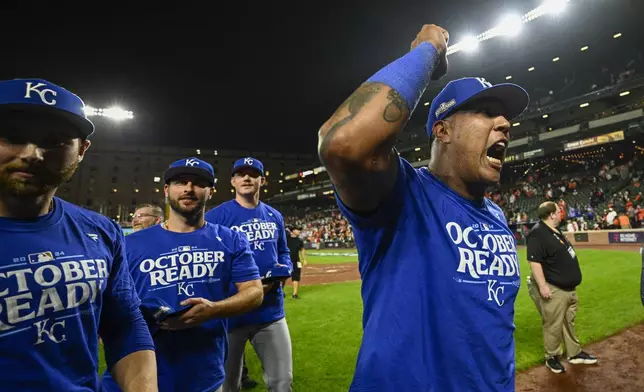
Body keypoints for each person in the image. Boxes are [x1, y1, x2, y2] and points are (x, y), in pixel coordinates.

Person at [317, 24, 529, 391]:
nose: (505, 124)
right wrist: (427, 52)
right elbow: (343, 143)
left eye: (505, 117)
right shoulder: (403, 195)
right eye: (485, 111)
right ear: (442, 131)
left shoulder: (496, 217)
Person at [0, 78, 157, 391]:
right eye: (13, 137)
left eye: (54, 141)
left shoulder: (100, 229)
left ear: (82, 150)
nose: (32, 153)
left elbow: (123, 323)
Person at [101, 157, 264, 392]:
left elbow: (254, 292)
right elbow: (110, 303)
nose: (188, 188)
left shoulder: (231, 239)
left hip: (203, 376)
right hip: (133, 376)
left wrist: (213, 310)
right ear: (167, 190)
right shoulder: (130, 244)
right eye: (180, 182)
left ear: (210, 192)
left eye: (198, 183)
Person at [205, 157, 293, 392]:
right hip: (232, 314)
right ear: (233, 181)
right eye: (241, 174)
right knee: (228, 386)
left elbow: (284, 251)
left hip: (271, 311)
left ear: (262, 181)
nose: (246, 178)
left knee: (282, 382)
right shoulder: (216, 216)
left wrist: (285, 268)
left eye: (252, 174)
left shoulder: (274, 215)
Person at [526, 202, 597, 374]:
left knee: (568, 322)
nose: (561, 213)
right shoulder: (538, 233)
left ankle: (574, 353)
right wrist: (542, 286)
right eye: (559, 211)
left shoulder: (554, 231)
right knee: (553, 325)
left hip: (568, 288)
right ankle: (552, 357)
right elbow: (534, 260)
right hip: (554, 287)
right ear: (551, 214)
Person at [287, 227, 307, 299]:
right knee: (282, 277)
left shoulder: (299, 240)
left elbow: (302, 250)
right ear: (293, 231)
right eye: (297, 230)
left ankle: (294, 294)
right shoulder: (286, 238)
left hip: (296, 261)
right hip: (286, 261)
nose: (299, 231)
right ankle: (281, 292)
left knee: (296, 277)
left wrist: (304, 259)